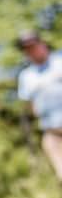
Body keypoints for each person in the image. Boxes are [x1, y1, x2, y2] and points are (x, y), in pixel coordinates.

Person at [17, 31, 62, 181]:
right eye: (27, 49)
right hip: (51, 132)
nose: (32, 51)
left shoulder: (59, 61)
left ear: (42, 44)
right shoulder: (26, 76)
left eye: (34, 46)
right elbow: (30, 104)